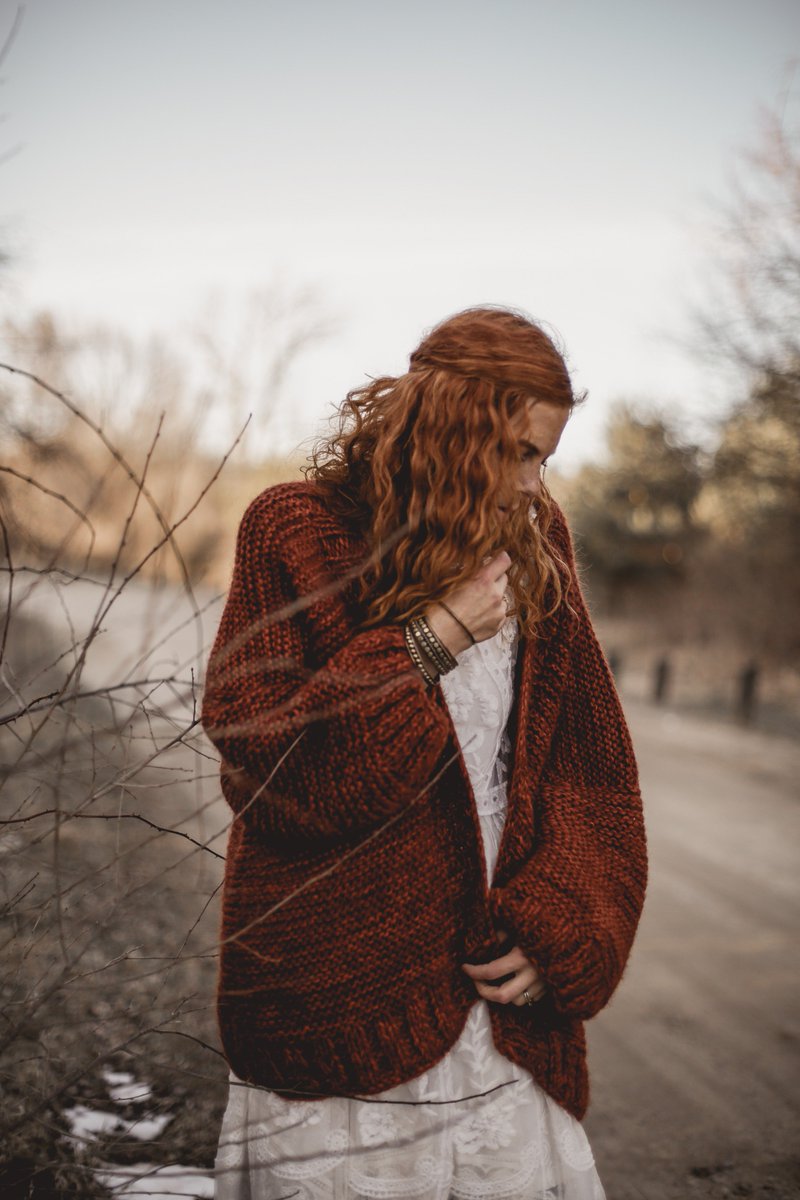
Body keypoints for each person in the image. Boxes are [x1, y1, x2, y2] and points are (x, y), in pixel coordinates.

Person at [201, 306, 648, 1200]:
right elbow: (278, 777)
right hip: (339, 996)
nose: (531, 485)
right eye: (517, 453)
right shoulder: (293, 529)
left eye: (545, 459)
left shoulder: (536, 544)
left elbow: (592, 776)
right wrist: (426, 641)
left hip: (499, 1015)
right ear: (451, 429)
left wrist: (564, 921)